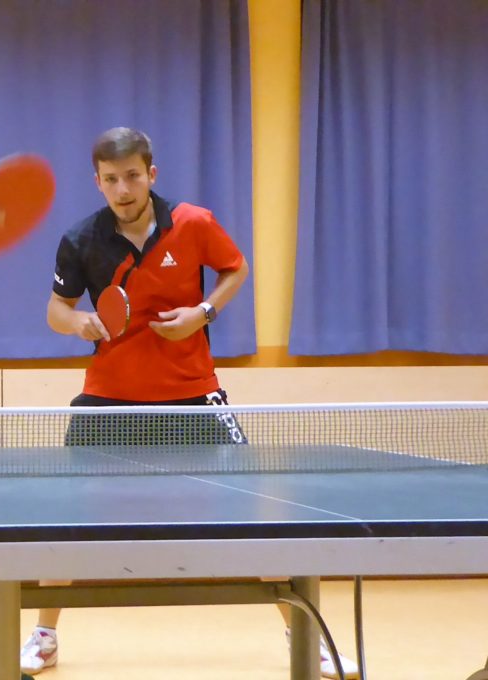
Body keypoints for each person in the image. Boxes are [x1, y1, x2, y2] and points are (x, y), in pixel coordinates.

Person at [19, 127, 359, 678]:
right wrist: (78, 322)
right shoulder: (81, 239)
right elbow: (56, 309)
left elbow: (235, 268)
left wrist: (203, 313)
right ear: (97, 181)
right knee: (70, 520)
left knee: (254, 515)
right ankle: (45, 635)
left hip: (194, 394)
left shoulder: (193, 223)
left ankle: (305, 636)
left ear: (151, 174)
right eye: (111, 179)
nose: (123, 189)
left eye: (133, 176)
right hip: (108, 397)